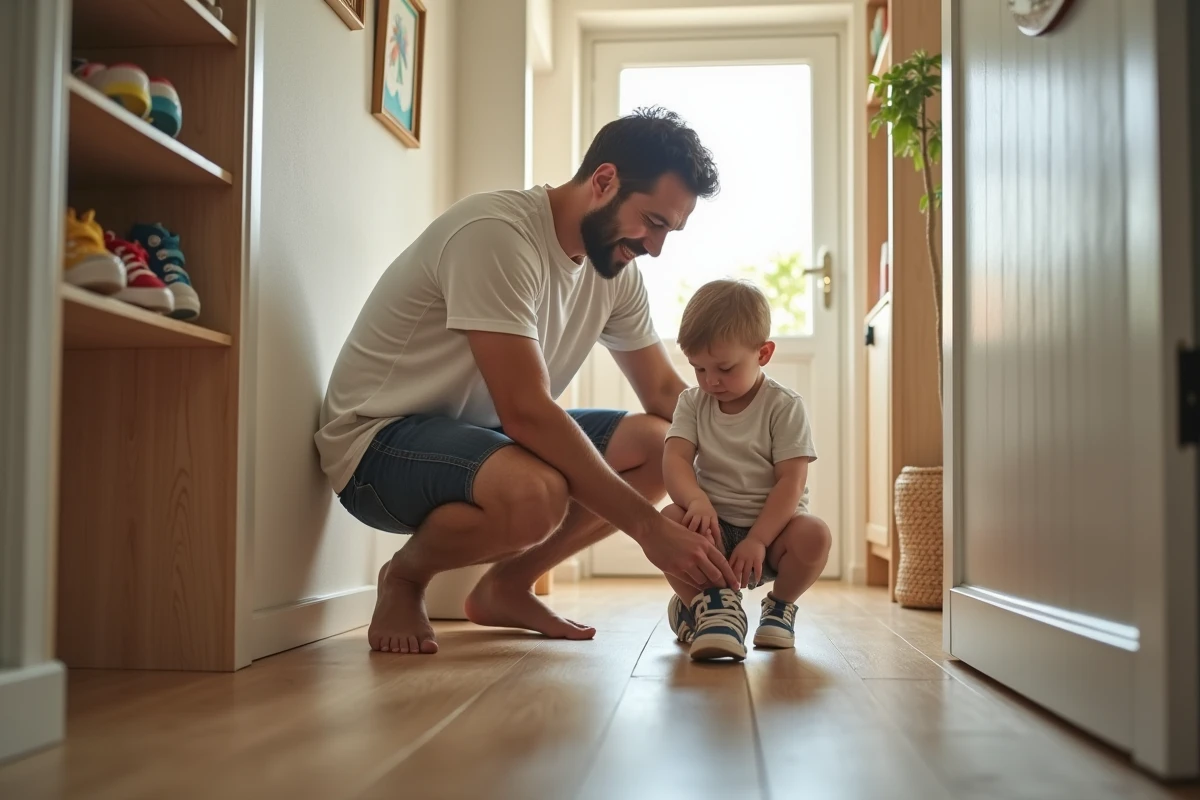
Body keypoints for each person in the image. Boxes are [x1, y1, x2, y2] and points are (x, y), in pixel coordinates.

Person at [314, 107, 740, 655]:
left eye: (669, 232)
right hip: (377, 444)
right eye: (653, 222)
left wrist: (749, 447)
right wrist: (650, 530)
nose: (655, 248)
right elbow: (525, 410)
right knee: (536, 494)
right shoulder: (497, 235)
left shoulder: (614, 272)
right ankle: (404, 578)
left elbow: (664, 394)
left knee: (661, 445)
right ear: (604, 181)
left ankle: (506, 586)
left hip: (482, 434)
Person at [659, 279, 832, 661]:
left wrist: (758, 538)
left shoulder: (784, 406)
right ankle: (708, 606)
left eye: (723, 367)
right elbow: (675, 460)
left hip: (773, 534)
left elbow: (792, 480)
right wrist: (696, 500)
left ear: (764, 353)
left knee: (815, 535)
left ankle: (779, 607)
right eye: (698, 368)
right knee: (667, 521)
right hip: (713, 531)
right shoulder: (692, 402)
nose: (710, 381)